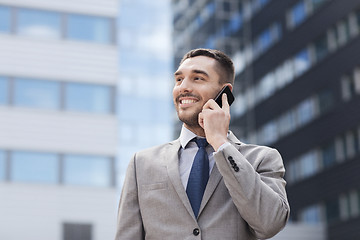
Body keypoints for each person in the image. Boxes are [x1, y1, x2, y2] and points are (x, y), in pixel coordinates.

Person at [115, 48, 289, 240]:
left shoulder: (261, 159)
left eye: (198, 78)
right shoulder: (141, 163)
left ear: (225, 92)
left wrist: (221, 144)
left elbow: (270, 223)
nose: (183, 87)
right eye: (179, 79)